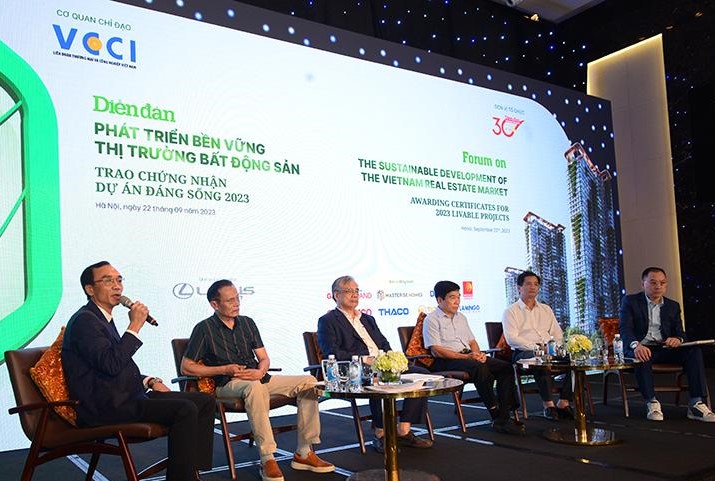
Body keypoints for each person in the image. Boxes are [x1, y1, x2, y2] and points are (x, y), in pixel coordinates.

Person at [61, 261, 215, 481]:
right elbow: (111, 364)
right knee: (184, 409)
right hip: (106, 406)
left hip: (125, 397)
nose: (117, 286)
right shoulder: (85, 321)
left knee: (204, 401)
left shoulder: (101, 318)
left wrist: (150, 380)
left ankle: (191, 471)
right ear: (90, 289)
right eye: (108, 281)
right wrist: (134, 326)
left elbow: (114, 365)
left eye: (119, 280)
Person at [181, 280, 335, 481]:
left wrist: (261, 371)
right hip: (227, 383)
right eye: (230, 300)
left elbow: (263, 358)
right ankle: (267, 458)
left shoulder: (247, 323)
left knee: (309, 381)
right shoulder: (204, 328)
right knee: (254, 388)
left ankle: (304, 452)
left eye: (237, 298)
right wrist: (224, 369)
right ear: (215, 304)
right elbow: (186, 366)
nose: (237, 303)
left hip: (258, 378)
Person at [317, 275, 433, 453]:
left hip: (382, 364)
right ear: (336, 295)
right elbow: (331, 352)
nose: (354, 295)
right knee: (374, 378)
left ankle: (403, 430)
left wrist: (392, 359)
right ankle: (380, 432)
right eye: (348, 291)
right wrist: (364, 359)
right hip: (356, 369)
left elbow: (383, 343)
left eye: (356, 291)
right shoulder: (328, 320)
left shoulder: (367, 319)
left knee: (421, 375)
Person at [424, 280, 524, 435]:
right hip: (446, 360)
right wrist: (467, 357)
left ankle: (504, 414)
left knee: (505, 367)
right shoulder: (431, 319)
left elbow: (472, 342)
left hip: (467, 357)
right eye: (452, 297)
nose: (457, 301)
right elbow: (437, 350)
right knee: (479, 368)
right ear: (439, 300)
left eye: (458, 297)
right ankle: (495, 414)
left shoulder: (461, 317)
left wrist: (477, 354)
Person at [620, 267, 715, 422]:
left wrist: (677, 339)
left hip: (664, 348)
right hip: (640, 347)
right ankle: (651, 402)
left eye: (662, 283)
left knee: (694, 351)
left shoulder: (673, 306)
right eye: (653, 282)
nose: (658, 286)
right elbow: (625, 329)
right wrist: (636, 345)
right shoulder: (631, 302)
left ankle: (696, 403)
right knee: (643, 354)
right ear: (643, 284)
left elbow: (681, 333)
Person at [502, 271, 573, 421]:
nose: (533, 287)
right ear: (519, 288)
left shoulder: (546, 309)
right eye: (528, 284)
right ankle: (548, 405)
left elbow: (557, 334)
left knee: (573, 360)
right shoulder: (510, 311)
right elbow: (512, 339)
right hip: (524, 352)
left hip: (550, 350)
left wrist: (554, 348)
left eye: (536, 284)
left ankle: (563, 402)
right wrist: (539, 348)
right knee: (540, 360)